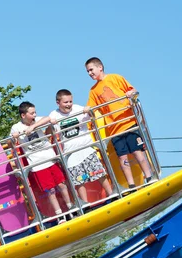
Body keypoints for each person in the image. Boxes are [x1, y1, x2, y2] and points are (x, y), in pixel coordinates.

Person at [27, 89, 114, 204]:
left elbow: (92, 118)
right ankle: (86, 204)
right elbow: (48, 133)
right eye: (65, 102)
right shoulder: (54, 115)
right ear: (58, 103)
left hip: (86, 147)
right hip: (70, 152)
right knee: (79, 180)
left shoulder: (78, 108)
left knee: (98, 172)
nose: (68, 105)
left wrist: (89, 111)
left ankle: (112, 195)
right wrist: (44, 127)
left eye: (70, 101)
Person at [84, 57, 154, 189]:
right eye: (87, 71)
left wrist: (130, 93)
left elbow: (132, 90)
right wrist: (87, 109)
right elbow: (90, 107)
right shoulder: (93, 91)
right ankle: (131, 185)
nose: (89, 73)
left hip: (128, 122)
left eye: (91, 70)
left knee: (138, 152)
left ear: (100, 67)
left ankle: (149, 177)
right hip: (114, 129)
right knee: (122, 158)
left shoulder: (115, 78)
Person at [11, 102, 74, 223]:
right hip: (37, 164)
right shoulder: (16, 127)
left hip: (50, 158)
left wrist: (33, 127)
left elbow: (48, 119)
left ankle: (71, 208)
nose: (35, 114)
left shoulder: (37, 120)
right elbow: (11, 143)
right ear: (23, 115)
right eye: (32, 113)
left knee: (61, 184)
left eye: (35, 112)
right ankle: (59, 215)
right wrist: (14, 137)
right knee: (50, 190)